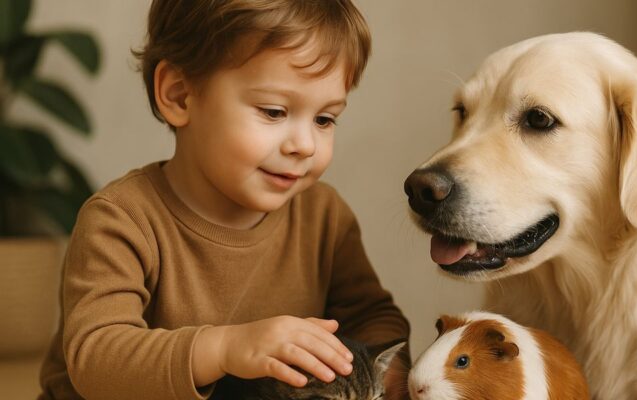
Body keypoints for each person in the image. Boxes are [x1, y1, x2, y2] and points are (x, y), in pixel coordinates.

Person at [37, 1, 410, 399]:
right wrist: (225, 348)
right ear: (180, 96)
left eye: (324, 119)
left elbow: (374, 317)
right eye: (274, 112)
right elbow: (97, 359)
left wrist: (377, 376)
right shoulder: (122, 219)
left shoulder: (323, 215)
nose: (305, 145)